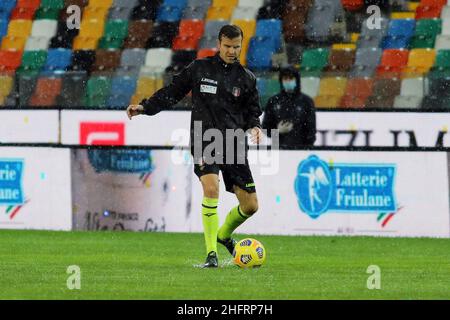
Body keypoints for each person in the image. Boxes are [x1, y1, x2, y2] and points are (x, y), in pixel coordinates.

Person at [126, 25, 263, 268]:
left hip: (233, 143)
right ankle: (211, 254)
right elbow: (172, 92)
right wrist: (145, 107)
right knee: (211, 189)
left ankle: (222, 236)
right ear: (219, 44)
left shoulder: (247, 78)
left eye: (236, 47)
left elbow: (253, 111)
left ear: (241, 45)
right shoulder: (199, 69)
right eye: (228, 46)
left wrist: (254, 127)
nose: (232, 51)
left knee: (251, 206)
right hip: (205, 138)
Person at [262, 66, 316, 149]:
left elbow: (311, 130)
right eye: (285, 78)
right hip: (278, 150)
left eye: (291, 78)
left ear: (296, 80)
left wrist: (307, 148)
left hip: (301, 149)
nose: (288, 81)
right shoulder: (273, 101)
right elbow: (265, 128)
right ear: (281, 81)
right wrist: (277, 131)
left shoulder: (306, 102)